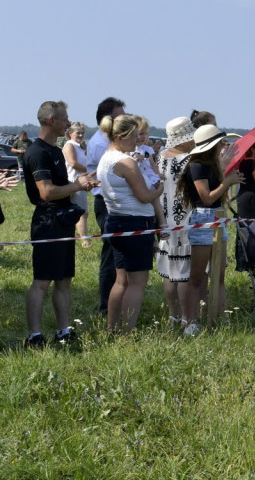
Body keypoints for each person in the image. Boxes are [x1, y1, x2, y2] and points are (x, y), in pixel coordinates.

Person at [23, 101, 99, 348]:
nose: (68, 122)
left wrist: (81, 182)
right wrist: (77, 185)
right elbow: (45, 192)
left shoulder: (55, 151)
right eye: (65, 118)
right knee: (42, 280)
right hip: (47, 222)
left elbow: (60, 186)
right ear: (50, 121)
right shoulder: (37, 152)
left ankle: (63, 331)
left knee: (64, 279)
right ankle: (34, 336)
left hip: (63, 220)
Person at [97, 114, 164, 333]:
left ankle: (112, 328)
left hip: (115, 221)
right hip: (135, 223)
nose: (138, 140)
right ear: (119, 136)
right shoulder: (126, 162)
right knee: (137, 282)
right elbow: (145, 196)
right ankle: (126, 332)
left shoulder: (106, 158)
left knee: (121, 281)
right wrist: (160, 185)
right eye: (134, 136)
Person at [177, 124, 244, 334]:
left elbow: (217, 195)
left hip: (218, 217)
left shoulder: (212, 165)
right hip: (204, 219)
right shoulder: (197, 166)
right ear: (212, 146)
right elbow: (206, 198)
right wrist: (228, 182)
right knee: (197, 277)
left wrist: (224, 172)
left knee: (219, 274)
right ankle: (190, 321)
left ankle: (219, 316)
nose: (224, 146)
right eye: (221, 143)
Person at [86, 96, 126, 315]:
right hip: (107, 202)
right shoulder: (102, 144)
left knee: (117, 252)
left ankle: (115, 302)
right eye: (121, 117)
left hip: (112, 201)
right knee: (111, 254)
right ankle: (106, 306)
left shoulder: (108, 140)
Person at [156, 117, 195, 327]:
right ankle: (187, 319)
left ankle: (173, 314)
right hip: (186, 219)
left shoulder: (160, 157)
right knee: (183, 274)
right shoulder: (190, 159)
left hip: (165, 220)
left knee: (170, 272)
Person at [62, 121, 91, 245]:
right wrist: (90, 170)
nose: (80, 135)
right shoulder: (70, 145)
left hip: (80, 182)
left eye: (82, 133)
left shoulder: (79, 146)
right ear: (70, 133)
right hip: (74, 182)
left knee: (80, 212)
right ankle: (84, 240)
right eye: (78, 133)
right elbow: (73, 163)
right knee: (82, 212)